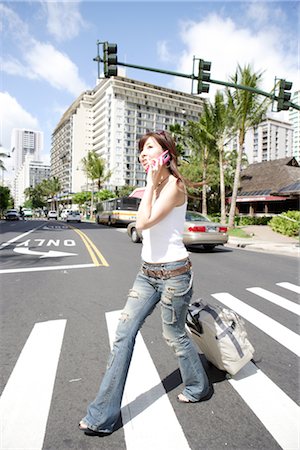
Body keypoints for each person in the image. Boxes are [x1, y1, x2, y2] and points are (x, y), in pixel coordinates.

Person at [79, 130, 210, 437]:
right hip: (147, 274)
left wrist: (151, 184)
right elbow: (139, 222)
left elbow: (144, 223)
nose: (142, 154)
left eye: (148, 148)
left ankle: (199, 386)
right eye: (140, 150)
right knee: (124, 333)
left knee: (174, 335)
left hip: (175, 275)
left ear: (166, 153)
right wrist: (150, 184)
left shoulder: (175, 186)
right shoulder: (153, 185)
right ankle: (102, 415)